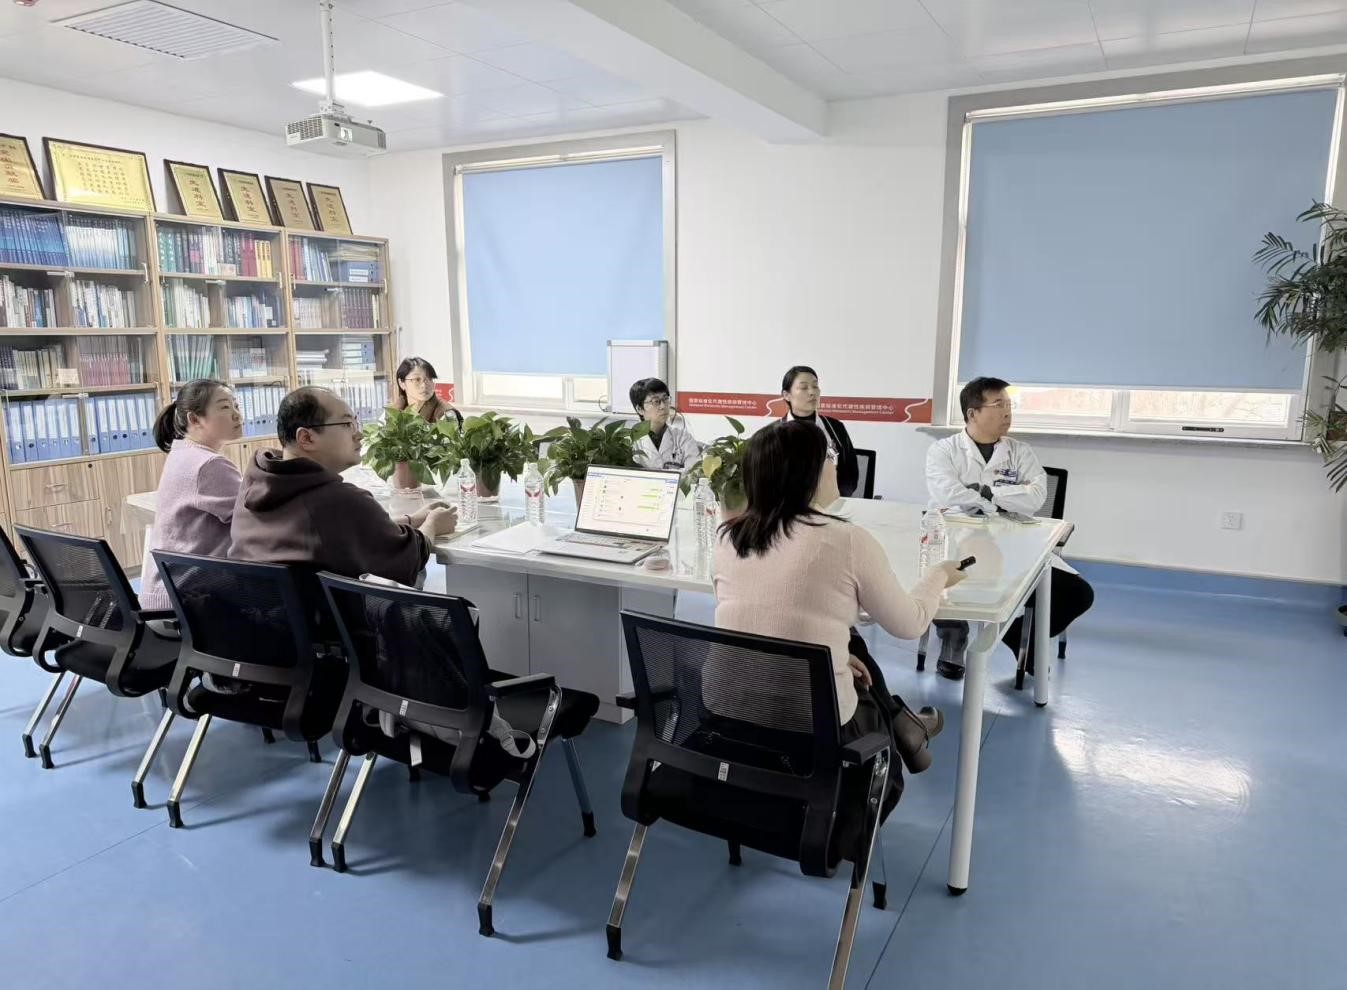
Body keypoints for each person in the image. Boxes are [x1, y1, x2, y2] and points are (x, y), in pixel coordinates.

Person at [713, 420, 965, 857]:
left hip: (729, 718)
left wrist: (831, 654)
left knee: (852, 649)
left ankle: (904, 725)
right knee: (856, 663)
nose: (836, 465)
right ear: (809, 473)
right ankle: (902, 731)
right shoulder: (846, 540)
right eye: (829, 458)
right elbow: (910, 624)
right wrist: (938, 577)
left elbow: (754, 621)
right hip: (816, 726)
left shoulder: (729, 537)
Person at [924, 376, 1096, 680]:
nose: (1007, 412)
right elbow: (949, 494)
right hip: (958, 541)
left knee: (1078, 593)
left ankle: (1017, 636)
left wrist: (987, 494)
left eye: (1009, 404)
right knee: (941, 578)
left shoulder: (1020, 452)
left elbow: (1036, 497)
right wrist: (1002, 501)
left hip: (1015, 544)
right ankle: (954, 636)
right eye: (998, 404)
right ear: (972, 413)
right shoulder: (943, 450)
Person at [231, 386, 457, 587]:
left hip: (263, 619)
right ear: (306, 438)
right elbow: (411, 556)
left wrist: (411, 520)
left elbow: (342, 530)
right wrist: (433, 524)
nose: (359, 434)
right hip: (334, 621)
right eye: (347, 424)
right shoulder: (339, 500)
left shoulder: (255, 481)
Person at [139, 380, 243, 612]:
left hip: (164, 594)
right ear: (194, 419)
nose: (237, 415)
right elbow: (255, 516)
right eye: (225, 407)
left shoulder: (183, 452)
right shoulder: (208, 464)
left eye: (236, 405)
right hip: (187, 602)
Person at [779, 365, 860, 497]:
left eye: (815, 386)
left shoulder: (835, 427)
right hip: (789, 505)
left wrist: (835, 497)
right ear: (786, 395)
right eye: (804, 387)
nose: (812, 392)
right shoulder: (774, 434)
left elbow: (850, 474)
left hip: (832, 503)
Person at [630, 377, 701, 472]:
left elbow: (694, 472)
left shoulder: (682, 437)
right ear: (640, 409)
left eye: (665, 399)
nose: (663, 406)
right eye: (656, 401)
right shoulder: (630, 442)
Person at [394, 356, 462, 427]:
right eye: (417, 379)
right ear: (401, 383)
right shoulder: (393, 412)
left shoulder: (447, 414)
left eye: (429, 378)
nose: (424, 385)